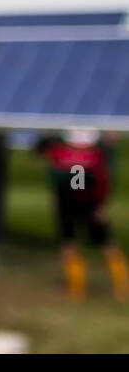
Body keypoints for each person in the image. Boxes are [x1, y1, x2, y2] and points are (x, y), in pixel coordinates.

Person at [36, 129, 128, 300]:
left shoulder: (64, 151)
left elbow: (44, 154)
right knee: (73, 244)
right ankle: (78, 289)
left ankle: (117, 287)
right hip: (80, 201)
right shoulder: (97, 153)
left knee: (95, 243)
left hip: (84, 201)